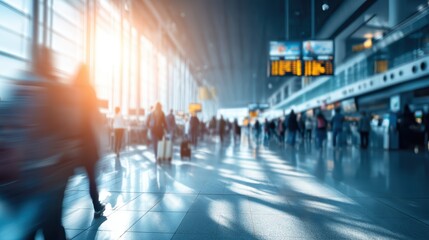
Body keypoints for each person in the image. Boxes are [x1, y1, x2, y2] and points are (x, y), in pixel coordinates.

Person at [73, 64, 105, 218]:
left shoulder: (70, 90)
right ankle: (97, 205)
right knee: (91, 175)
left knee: (63, 180)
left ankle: (52, 216)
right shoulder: (89, 91)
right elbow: (96, 116)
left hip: (71, 140)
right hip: (87, 139)